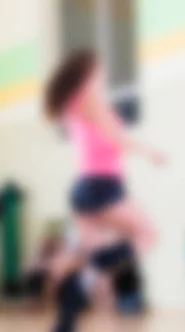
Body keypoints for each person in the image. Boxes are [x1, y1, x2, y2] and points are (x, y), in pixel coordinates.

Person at [44, 50, 167, 260]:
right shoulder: (89, 98)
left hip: (84, 188)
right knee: (148, 235)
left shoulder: (72, 104)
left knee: (108, 245)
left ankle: (87, 274)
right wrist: (150, 152)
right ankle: (92, 269)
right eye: (100, 71)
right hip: (103, 186)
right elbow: (116, 139)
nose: (104, 76)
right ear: (89, 73)